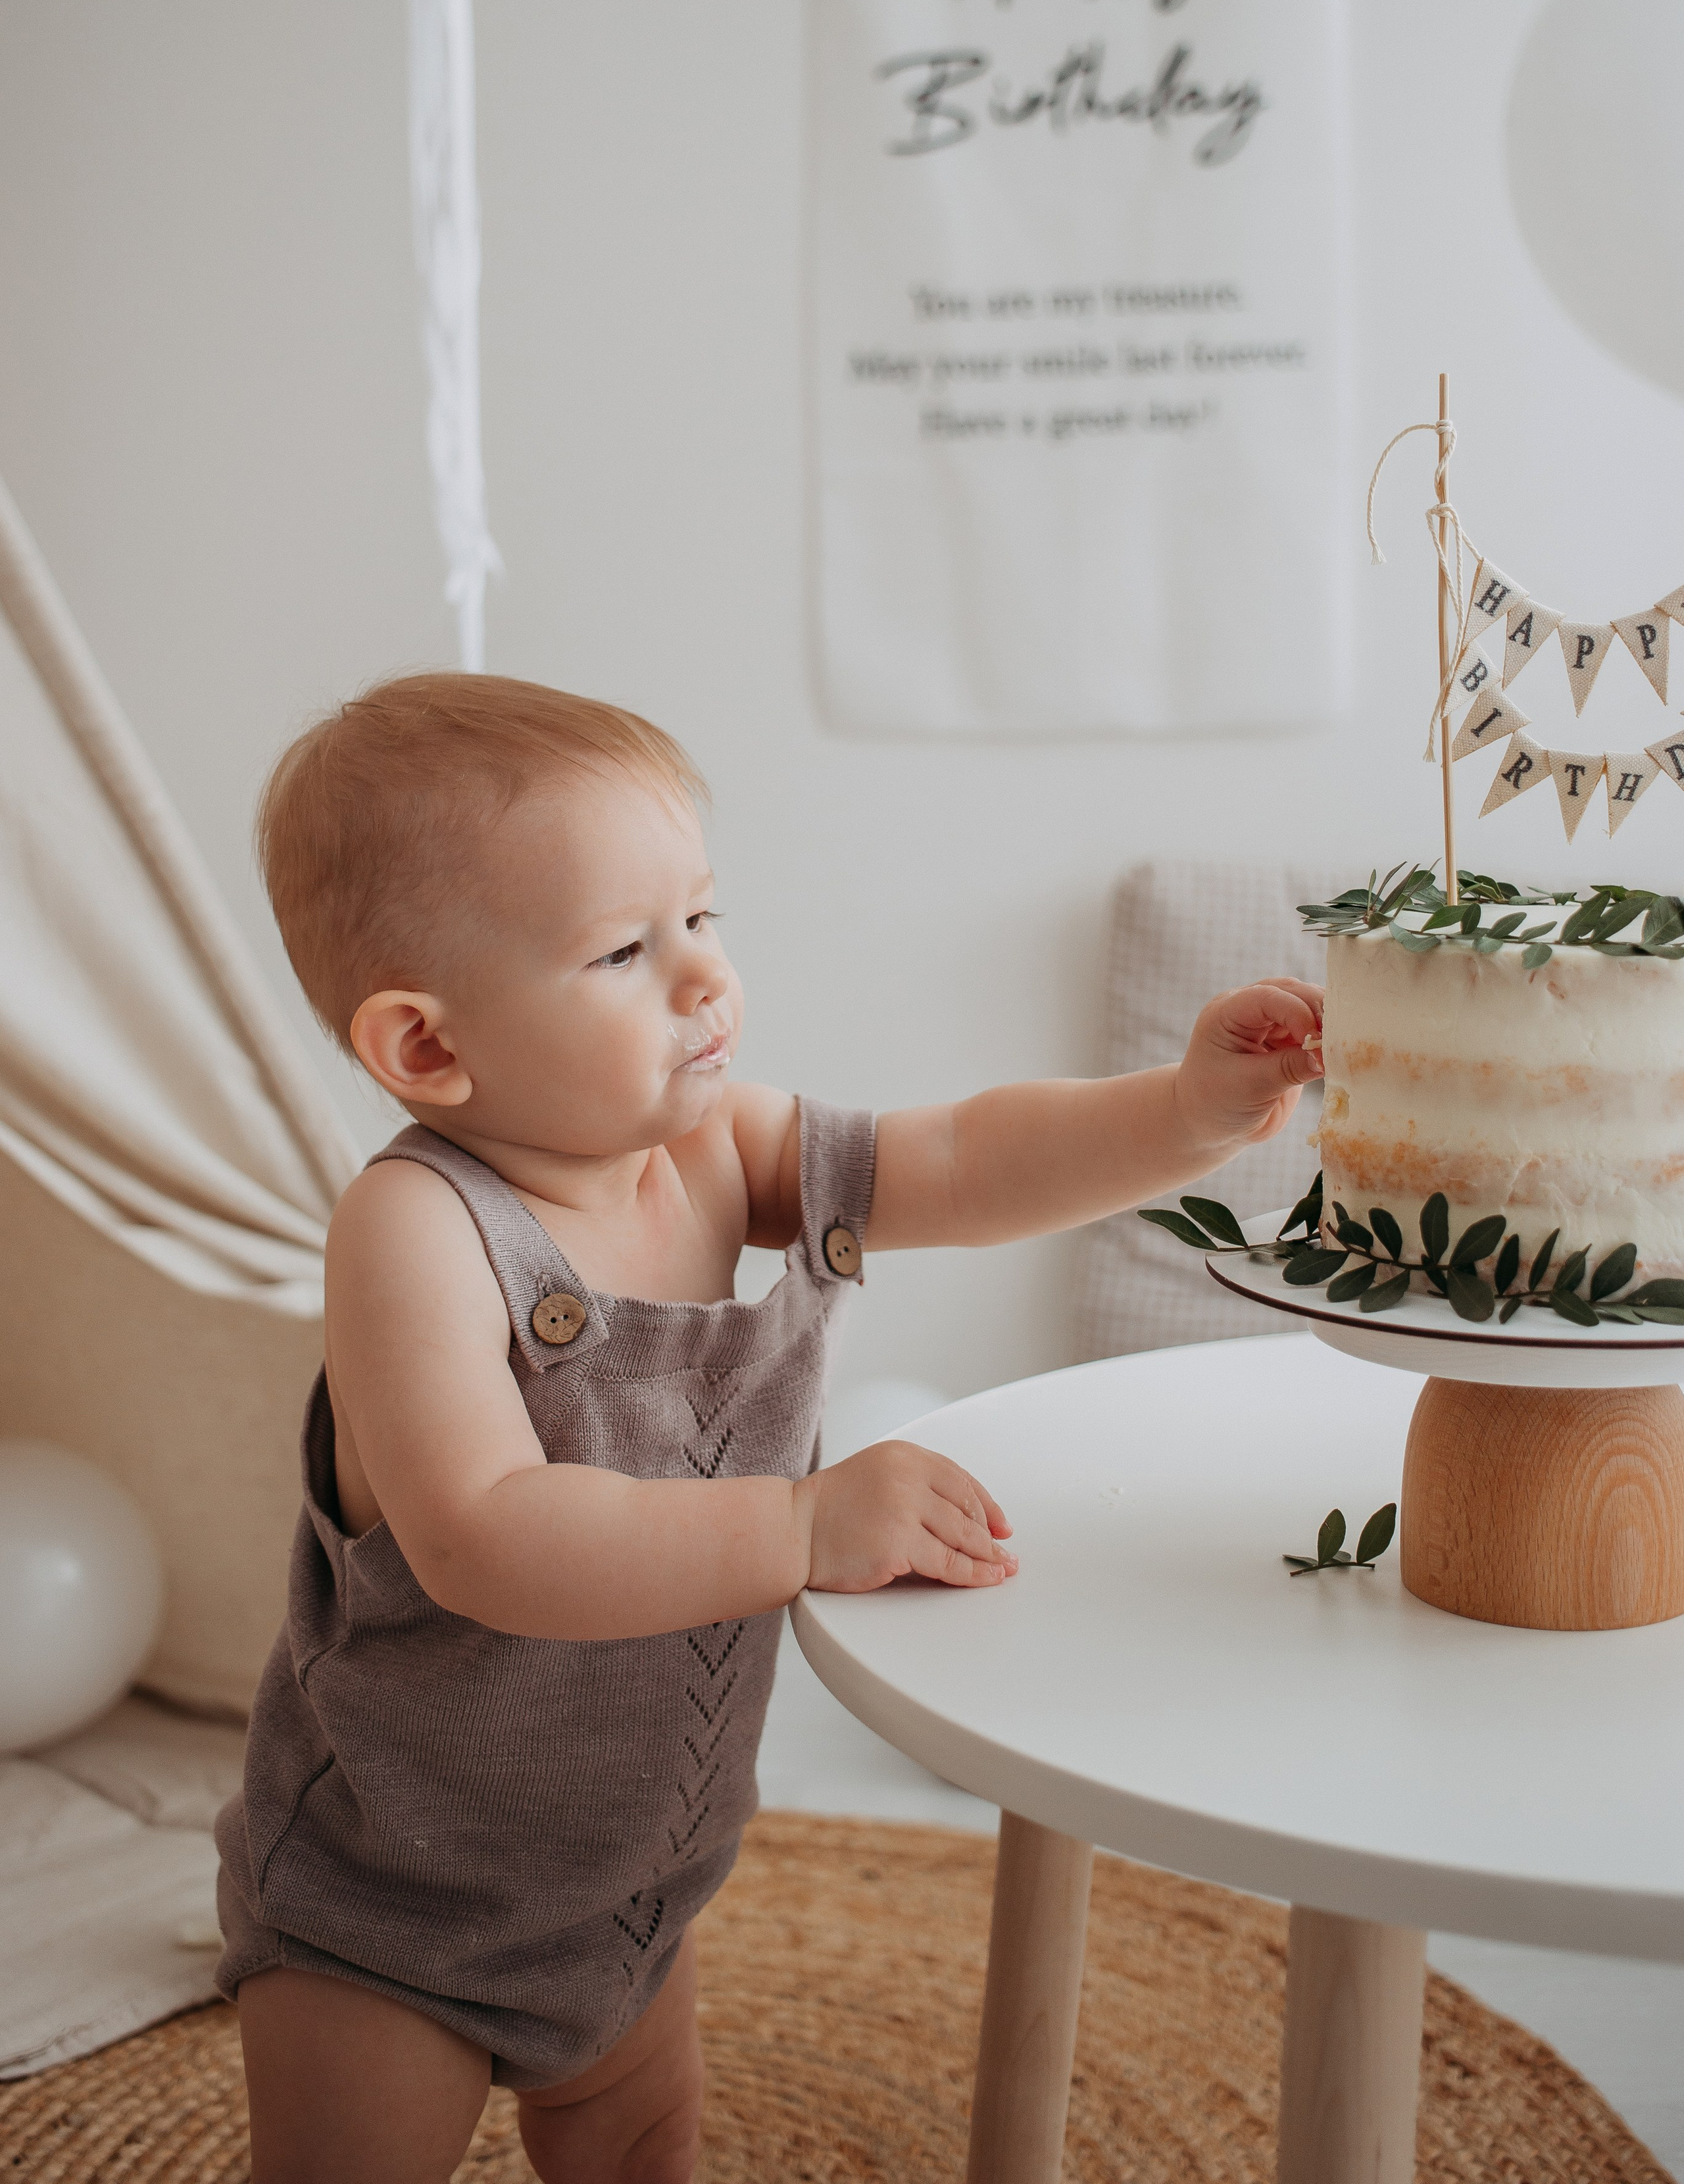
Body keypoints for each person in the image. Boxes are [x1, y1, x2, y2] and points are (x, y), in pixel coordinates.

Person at [214, 672, 1323, 2184]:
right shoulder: (415, 1230)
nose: (701, 980)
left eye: (702, 918)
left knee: (639, 2141)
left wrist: (1180, 1109)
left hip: (631, 1885)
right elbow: (483, 1532)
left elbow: (959, 1155)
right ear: (425, 1051)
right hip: (390, 1908)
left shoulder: (720, 1153)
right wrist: (798, 1527)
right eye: (622, 950)